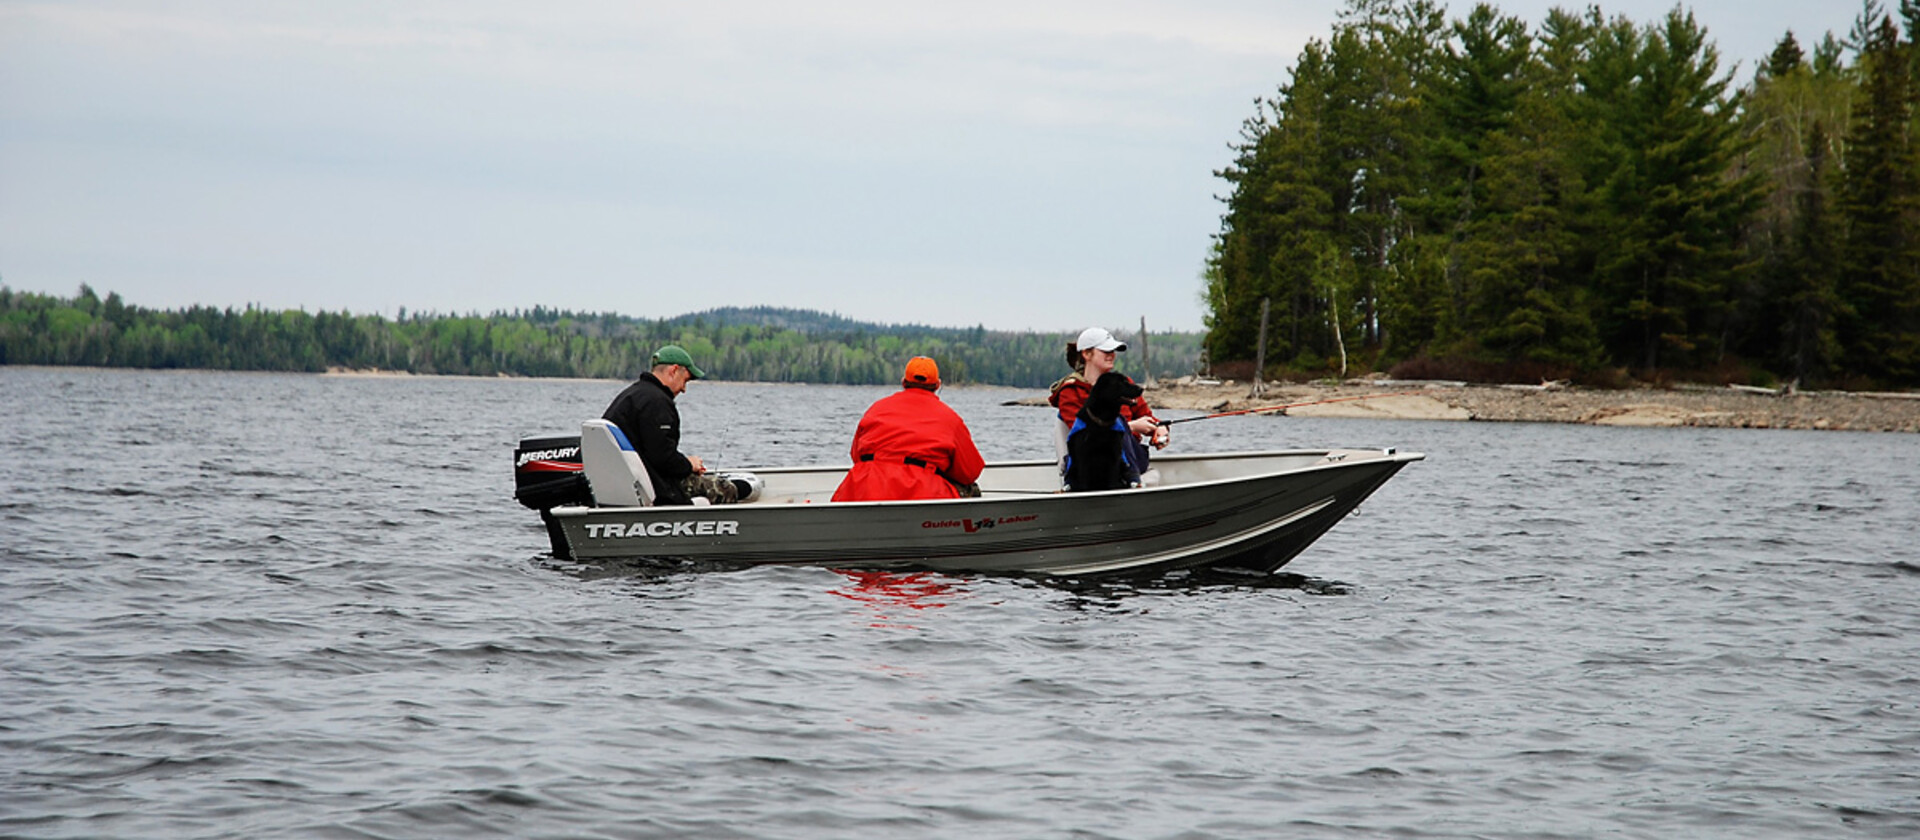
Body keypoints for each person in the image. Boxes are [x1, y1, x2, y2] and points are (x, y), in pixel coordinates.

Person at [831, 357, 986, 502]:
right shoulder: (950, 419)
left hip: (861, 490)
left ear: (904, 382)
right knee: (971, 490)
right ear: (937, 385)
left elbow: (856, 455)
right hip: (923, 495)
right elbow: (970, 472)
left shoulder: (876, 409)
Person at [601, 344, 739, 506]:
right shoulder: (657, 402)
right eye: (685, 380)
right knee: (726, 489)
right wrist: (689, 464)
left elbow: (654, 450)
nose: (684, 389)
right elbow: (662, 458)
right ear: (673, 371)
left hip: (625, 481)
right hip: (655, 488)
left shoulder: (631, 395)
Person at [1048, 326, 1168, 480]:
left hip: (1129, 459)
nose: (1112, 355)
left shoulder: (1124, 385)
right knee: (1119, 426)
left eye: (1113, 351)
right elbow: (1081, 433)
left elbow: (1147, 416)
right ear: (1086, 354)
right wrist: (1131, 426)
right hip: (1090, 461)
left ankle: (1131, 478)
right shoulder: (1070, 391)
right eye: (1106, 351)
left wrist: (1160, 429)